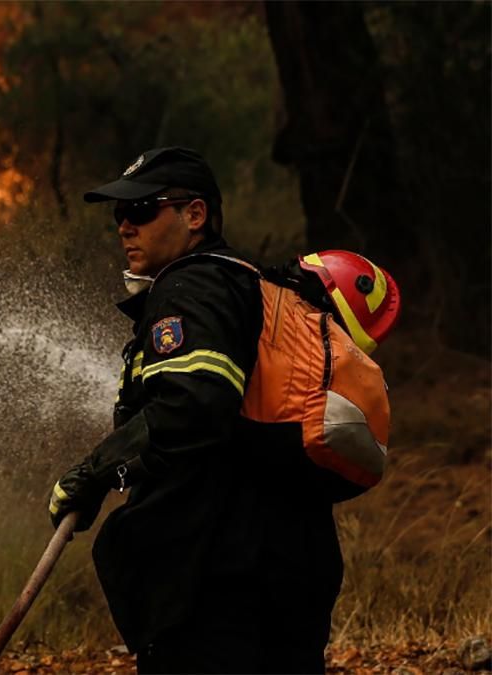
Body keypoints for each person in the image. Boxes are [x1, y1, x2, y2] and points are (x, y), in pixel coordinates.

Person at [48, 147, 341, 674]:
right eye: (119, 215)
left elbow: (193, 407)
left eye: (140, 211)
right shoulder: (246, 283)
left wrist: (94, 474)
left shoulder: (190, 286)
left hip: (218, 577)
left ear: (195, 215)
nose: (124, 227)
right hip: (290, 562)